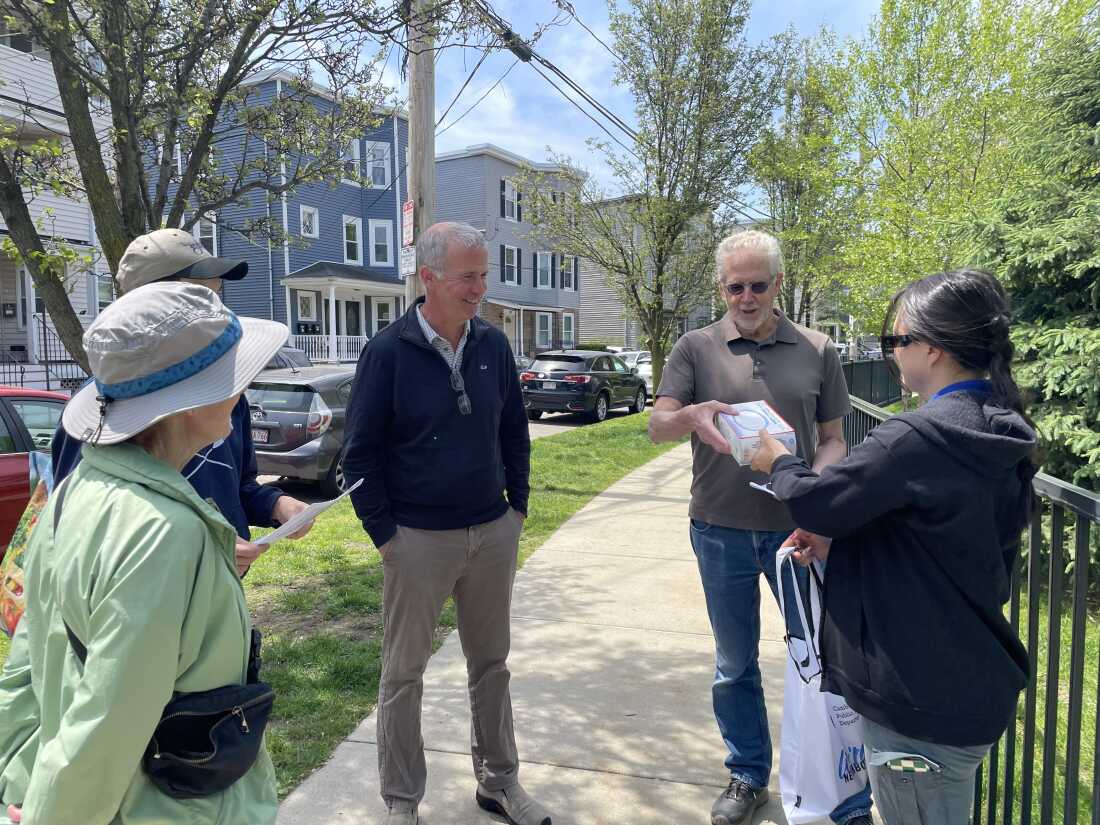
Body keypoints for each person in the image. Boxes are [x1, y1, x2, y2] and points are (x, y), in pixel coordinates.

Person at [0, 230, 312, 817]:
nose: (243, 389)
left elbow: (29, 661)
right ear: (189, 400)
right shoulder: (168, 534)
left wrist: (18, 776)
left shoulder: (78, 495)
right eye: (231, 374)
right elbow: (110, 718)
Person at [750, 269, 1037, 825]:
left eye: (896, 341)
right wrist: (842, 549)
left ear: (931, 349)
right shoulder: (992, 426)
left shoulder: (916, 438)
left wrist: (776, 462)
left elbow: (819, 503)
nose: (892, 354)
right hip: (963, 679)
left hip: (917, 701)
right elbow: (937, 546)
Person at [648, 229, 873, 825]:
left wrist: (816, 490)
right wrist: (691, 416)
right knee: (734, 663)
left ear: (777, 284)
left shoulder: (817, 347)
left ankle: (836, 781)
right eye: (733, 286)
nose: (746, 297)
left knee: (822, 654)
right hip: (719, 527)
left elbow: (832, 439)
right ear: (721, 287)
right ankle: (747, 775)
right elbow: (657, 426)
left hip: (797, 532)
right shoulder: (695, 348)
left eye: (758, 285)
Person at [342, 222, 551, 825]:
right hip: (417, 540)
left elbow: (514, 430)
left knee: (492, 664)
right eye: (469, 276)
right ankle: (403, 803)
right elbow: (360, 454)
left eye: (484, 274)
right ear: (428, 277)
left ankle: (499, 783)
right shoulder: (387, 352)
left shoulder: (492, 345)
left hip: (492, 531)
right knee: (403, 674)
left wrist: (518, 509)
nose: (480, 287)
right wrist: (387, 538)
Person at [52, 228, 313, 572]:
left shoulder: (226, 397)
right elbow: (81, 532)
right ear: (151, 305)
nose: (216, 309)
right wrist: (197, 552)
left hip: (221, 592)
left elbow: (240, 485)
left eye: (216, 295)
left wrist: (276, 504)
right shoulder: (100, 414)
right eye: (200, 296)